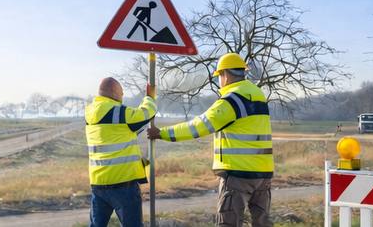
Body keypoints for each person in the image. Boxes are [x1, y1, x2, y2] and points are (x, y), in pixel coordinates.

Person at [160, 53, 274, 227]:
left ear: (225, 75)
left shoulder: (232, 99)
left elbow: (199, 126)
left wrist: (163, 133)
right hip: (264, 173)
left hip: (238, 174)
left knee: (228, 222)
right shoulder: (257, 94)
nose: (219, 81)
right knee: (262, 222)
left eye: (219, 76)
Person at [85, 76, 157, 227]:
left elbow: (114, 133)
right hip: (123, 183)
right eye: (122, 93)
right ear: (114, 92)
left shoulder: (90, 113)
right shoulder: (118, 112)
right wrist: (150, 97)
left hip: (98, 184)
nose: (122, 96)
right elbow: (147, 113)